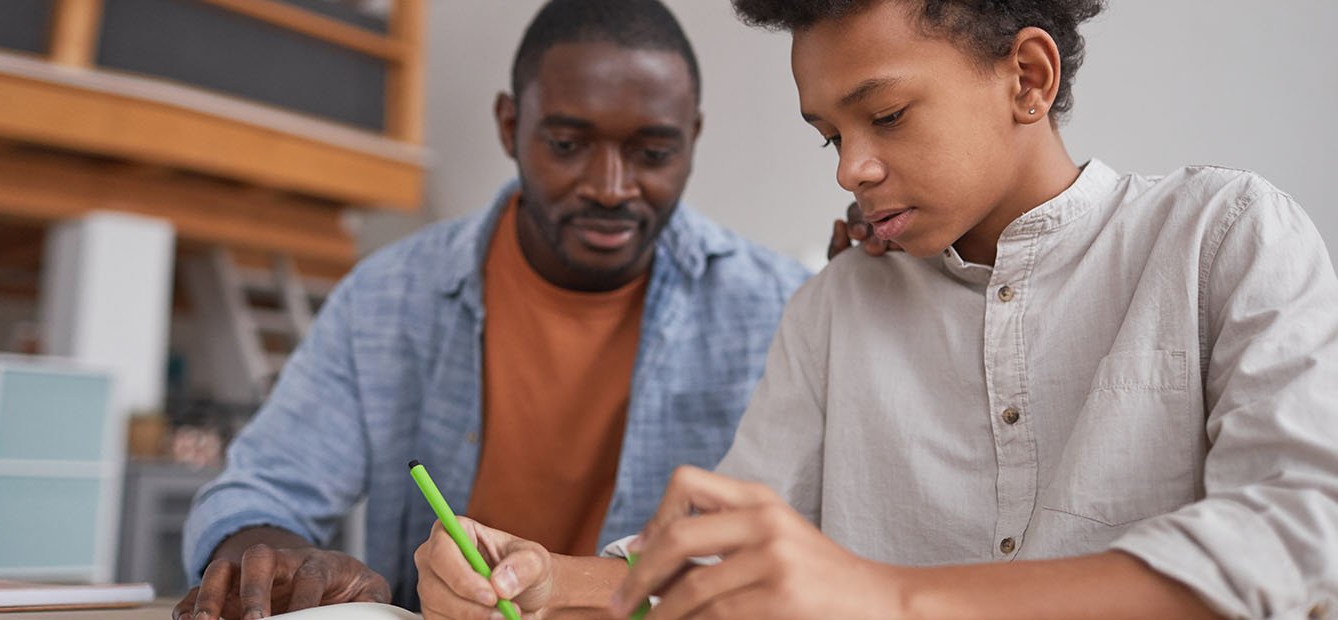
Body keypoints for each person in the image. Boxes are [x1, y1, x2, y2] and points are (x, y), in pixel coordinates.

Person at [413, 1, 1338, 618]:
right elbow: (709, 564)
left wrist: (886, 596)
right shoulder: (836, 307)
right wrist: (540, 578)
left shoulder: (1222, 238)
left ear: (1028, 77)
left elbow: (1300, 539)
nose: (851, 167)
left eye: (885, 116)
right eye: (830, 136)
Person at [172, 1, 814, 618]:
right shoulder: (390, 297)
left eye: (653, 154)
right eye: (567, 144)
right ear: (510, 125)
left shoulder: (782, 308)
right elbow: (258, 490)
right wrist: (278, 563)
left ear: (692, 137)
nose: (611, 187)